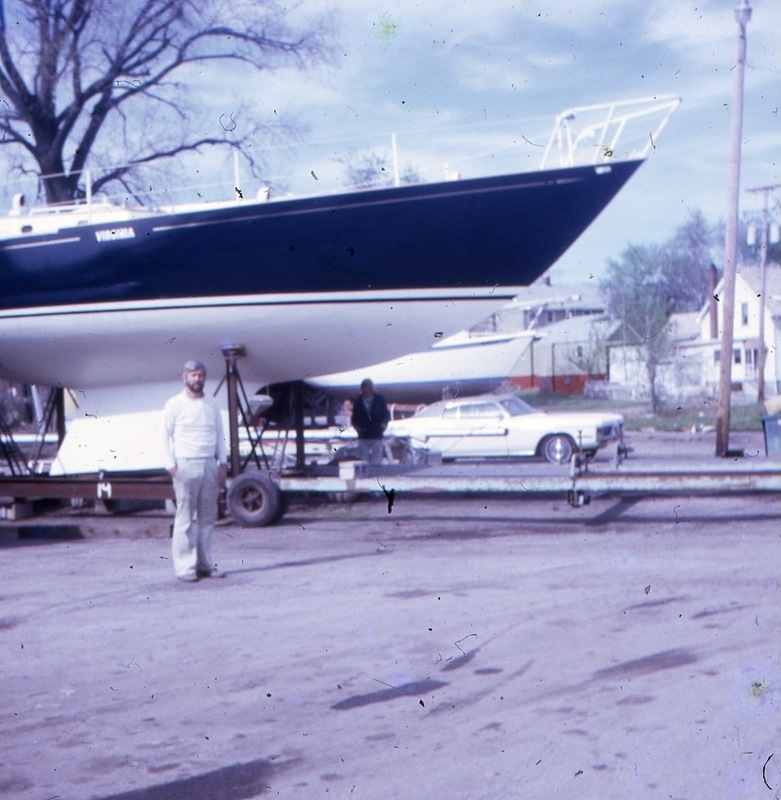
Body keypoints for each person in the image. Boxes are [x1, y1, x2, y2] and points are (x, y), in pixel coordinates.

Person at [162, 360, 228, 582]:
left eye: (200, 375)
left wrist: (223, 463)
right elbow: (164, 435)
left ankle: (205, 564)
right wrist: (170, 465)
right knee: (185, 518)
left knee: (207, 519)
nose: (197, 379)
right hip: (185, 464)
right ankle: (185, 568)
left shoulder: (212, 403)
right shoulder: (175, 404)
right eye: (193, 375)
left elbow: (219, 434)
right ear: (185, 377)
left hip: (209, 464)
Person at [350, 378, 390, 465]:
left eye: (368, 388)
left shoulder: (380, 400)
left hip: (377, 433)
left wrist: (384, 424)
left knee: (377, 459)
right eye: (364, 388)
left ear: (372, 388)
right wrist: (357, 428)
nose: (366, 390)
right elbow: (354, 418)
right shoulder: (358, 401)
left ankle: (376, 472)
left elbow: (386, 415)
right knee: (363, 460)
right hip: (363, 435)